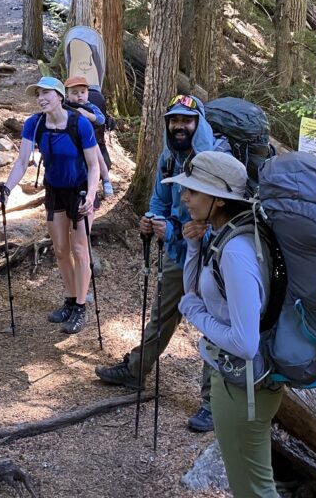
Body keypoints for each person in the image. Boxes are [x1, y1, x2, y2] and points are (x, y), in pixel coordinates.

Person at [95, 93, 228, 432]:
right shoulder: (169, 157)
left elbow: (222, 213)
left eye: (186, 120)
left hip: (214, 258)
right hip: (177, 253)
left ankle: (213, 404)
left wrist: (174, 228)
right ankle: (136, 370)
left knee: (214, 328)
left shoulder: (216, 158)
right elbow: (158, 199)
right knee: (161, 315)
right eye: (174, 120)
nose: (179, 126)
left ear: (198, 122)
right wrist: (150, 219)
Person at [172, 151, 282, 498]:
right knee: (251, 487)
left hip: (242, 388)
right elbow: (193, 291)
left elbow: (245, 341)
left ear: (218, 201)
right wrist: (192, 245)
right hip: (241, 381)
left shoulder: (236, 252)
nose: (185, 197)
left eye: (193, 190)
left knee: (254, 491)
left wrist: (196, 315)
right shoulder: (228, 235)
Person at [0, 76, 101, 334]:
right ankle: (71, 300)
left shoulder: (79, 124)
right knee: (61, 249)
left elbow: (94, 164)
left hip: (81, 191)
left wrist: (92, 194)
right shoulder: (34, 124)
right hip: (54, 191)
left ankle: (81, 307)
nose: (41, 97)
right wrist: (5, 191)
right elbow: (22, 162)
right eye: (38, 93)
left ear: (60, 96)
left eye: (46, 93)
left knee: (80, 248)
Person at [63, 76, 114, 197]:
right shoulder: (65, 107)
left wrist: (88, 115)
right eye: (74, 93)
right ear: (67, 95)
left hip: (90, 140)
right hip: (72, 141)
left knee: (99, 160)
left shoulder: (91, 106)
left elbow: (101, 120)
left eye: (83, 92)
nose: (79, 96)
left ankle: (106, 181)